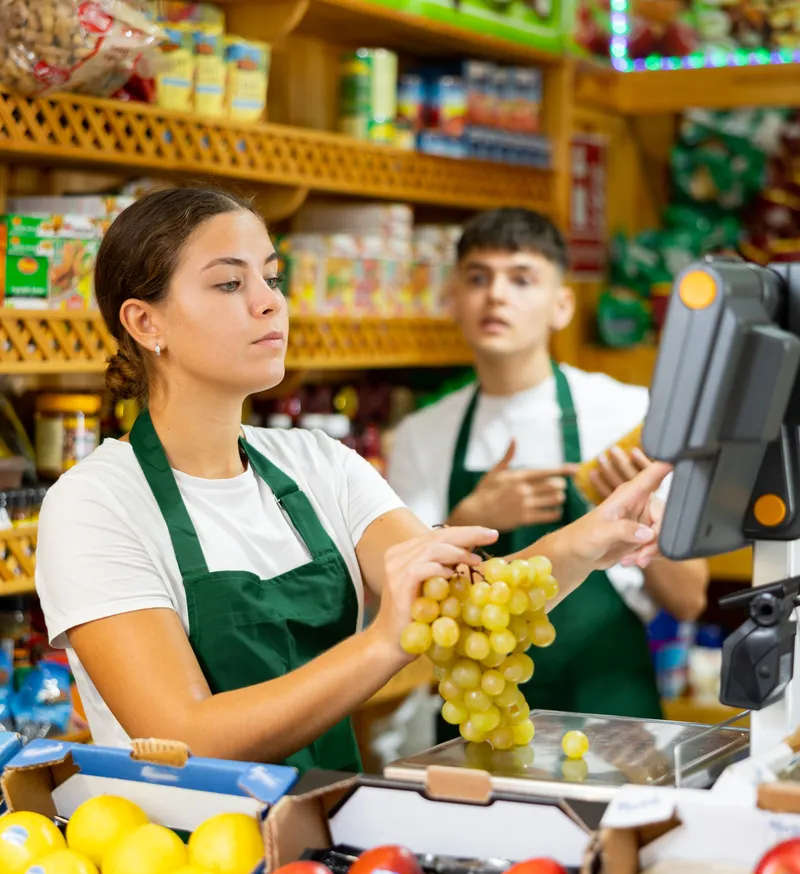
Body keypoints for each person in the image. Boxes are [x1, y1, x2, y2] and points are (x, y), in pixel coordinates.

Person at [36, 187, 670, 769]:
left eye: (272, 276)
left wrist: (590, 541)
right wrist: (382, 644)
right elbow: (184, 738)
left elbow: (474, 611)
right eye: (230, 283)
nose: (268, 301)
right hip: (183, 861)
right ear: (147, 324)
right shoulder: (96, 505)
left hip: (327, 843)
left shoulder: (320, 463)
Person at [388, 207, 708, 726]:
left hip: (612, 714)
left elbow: (690, 598)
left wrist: (641, 514)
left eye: (521, 279)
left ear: (561, 305)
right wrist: (468, 515)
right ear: (453, 300)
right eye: (477, 277)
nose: (496, 295)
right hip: (478, 716)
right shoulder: (423, 435)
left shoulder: (630, 415)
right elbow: (403, 604)